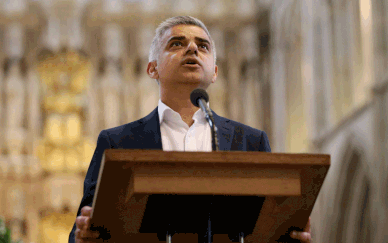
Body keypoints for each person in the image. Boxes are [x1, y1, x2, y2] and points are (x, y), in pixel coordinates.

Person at [69, 16, 312, 243]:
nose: (193, 49)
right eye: (177, 44)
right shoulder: (117, 142)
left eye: (203, 46)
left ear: (215, 72)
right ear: (152, 68)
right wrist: (84, 234)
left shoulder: (250, 141)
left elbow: (267, 222)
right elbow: (83, 229)